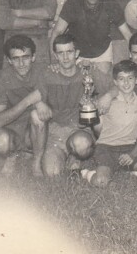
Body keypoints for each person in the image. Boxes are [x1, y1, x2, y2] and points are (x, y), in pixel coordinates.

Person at [32, 34, 111, 176]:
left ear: (77, 53)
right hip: (55, 134)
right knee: (52, 174)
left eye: (69, 52)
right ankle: (58, 158)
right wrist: (39, 103)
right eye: (61, 53)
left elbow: (114, 86)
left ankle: (77, 156)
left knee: (82, 145)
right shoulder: (48, 74)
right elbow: (35, 96)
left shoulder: (88, 71)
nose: (65, 57)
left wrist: (108, 96)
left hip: (79, 129)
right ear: (55, 55)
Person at [81, 60, 137, 187]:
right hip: (106, 148)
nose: (126, 83)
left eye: (130, 78)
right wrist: (89, 106)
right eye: (121, 79)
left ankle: (127, 169)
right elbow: (88, 121)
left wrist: (133, 154)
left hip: (129, 147)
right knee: (102, 182)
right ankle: (88, 174)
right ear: (115, 82)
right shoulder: (107, 102)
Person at [50, 0, 132, 74]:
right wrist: (53, 60)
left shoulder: (110, 4)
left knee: (103, 83)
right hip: (76, 54)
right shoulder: (73, 3)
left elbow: (127, 34)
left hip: (102, 53)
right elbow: (57, 32)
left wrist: (134, 59)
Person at [0, 35, 46, 176]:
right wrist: (28, 101)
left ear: (33, 57)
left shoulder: (43, 72)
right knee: (1, 141)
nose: (21, 63)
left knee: (38, 116)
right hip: (12, 130)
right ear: (9, 60)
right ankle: (13, 155)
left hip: (33, 131)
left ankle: (36, 162)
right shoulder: (3, 77)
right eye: (16, 59)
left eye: (26, 57)